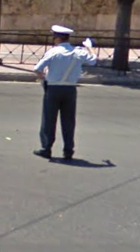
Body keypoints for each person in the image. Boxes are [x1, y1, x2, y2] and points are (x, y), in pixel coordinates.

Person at [32, 24, 97, 161]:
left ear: (57, 38)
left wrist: (44, 78)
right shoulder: (78, 52)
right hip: (70, 89)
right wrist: (89, 47)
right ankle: (68, 150)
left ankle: (46, 148)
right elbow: (93, 61)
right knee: (68, 121)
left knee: (49, 120)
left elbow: (37, 69)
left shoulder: (53, 52)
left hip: (53, 88)